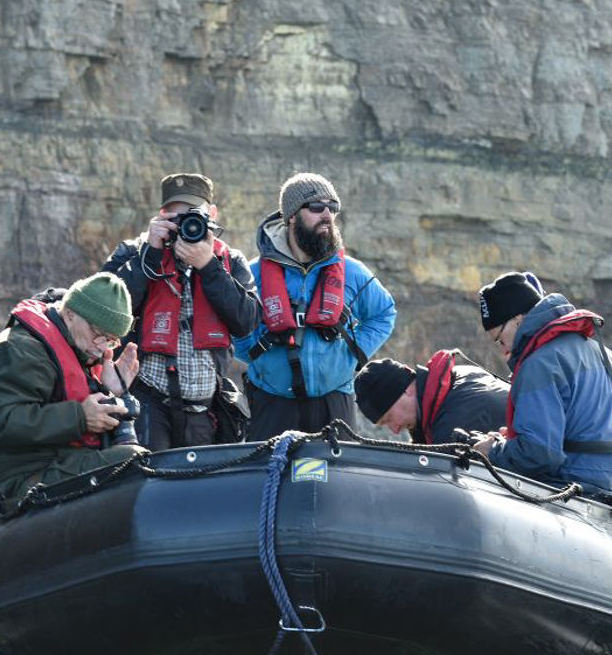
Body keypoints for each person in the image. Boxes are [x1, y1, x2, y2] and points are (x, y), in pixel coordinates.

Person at [102, 172, 259, 450]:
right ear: (161, 216)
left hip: (204, 409)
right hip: (148, 403)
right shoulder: (133, 252)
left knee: (197, 491)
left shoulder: (230, 261)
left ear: (211, 213)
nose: (185, 225)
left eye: (193, 215)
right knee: (148, 486)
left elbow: (247, 321)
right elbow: (105, 312)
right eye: (175, 218)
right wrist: (149, 255)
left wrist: (208, 266)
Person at [0, 272, 146, 521]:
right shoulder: (18, 349)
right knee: (130, 460)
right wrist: (81, 417)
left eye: (110, 340)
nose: (100, 345)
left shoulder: (81, 348)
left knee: (147, 454)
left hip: (62, 460)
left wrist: (112, 392)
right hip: (20, 477)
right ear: (71, 313)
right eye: (97, 332)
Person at [236, 172, 397, 440]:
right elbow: (235, 322)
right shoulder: (253, 274)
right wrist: (256, 358)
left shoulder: (352, 271)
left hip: (334, 401)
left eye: (332, 207)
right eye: (315, 207)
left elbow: (384, 314)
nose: (327, 214)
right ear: (291, 216)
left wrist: (351, 356)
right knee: (270, 480)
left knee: (339, 481)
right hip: (272, 402)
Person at [471, 271, 612, 501]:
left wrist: (492, 450)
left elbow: (540, 454)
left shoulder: (539, 363)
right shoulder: (610, 357)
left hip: (566, 488)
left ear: (517, 320)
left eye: (499, 338)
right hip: (610, 490)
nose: (502, 348)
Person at [354, 351, 509, 444]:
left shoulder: (452, 425)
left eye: (388, 418)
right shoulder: (458, 375)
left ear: (405, 391)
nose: (394, 430)